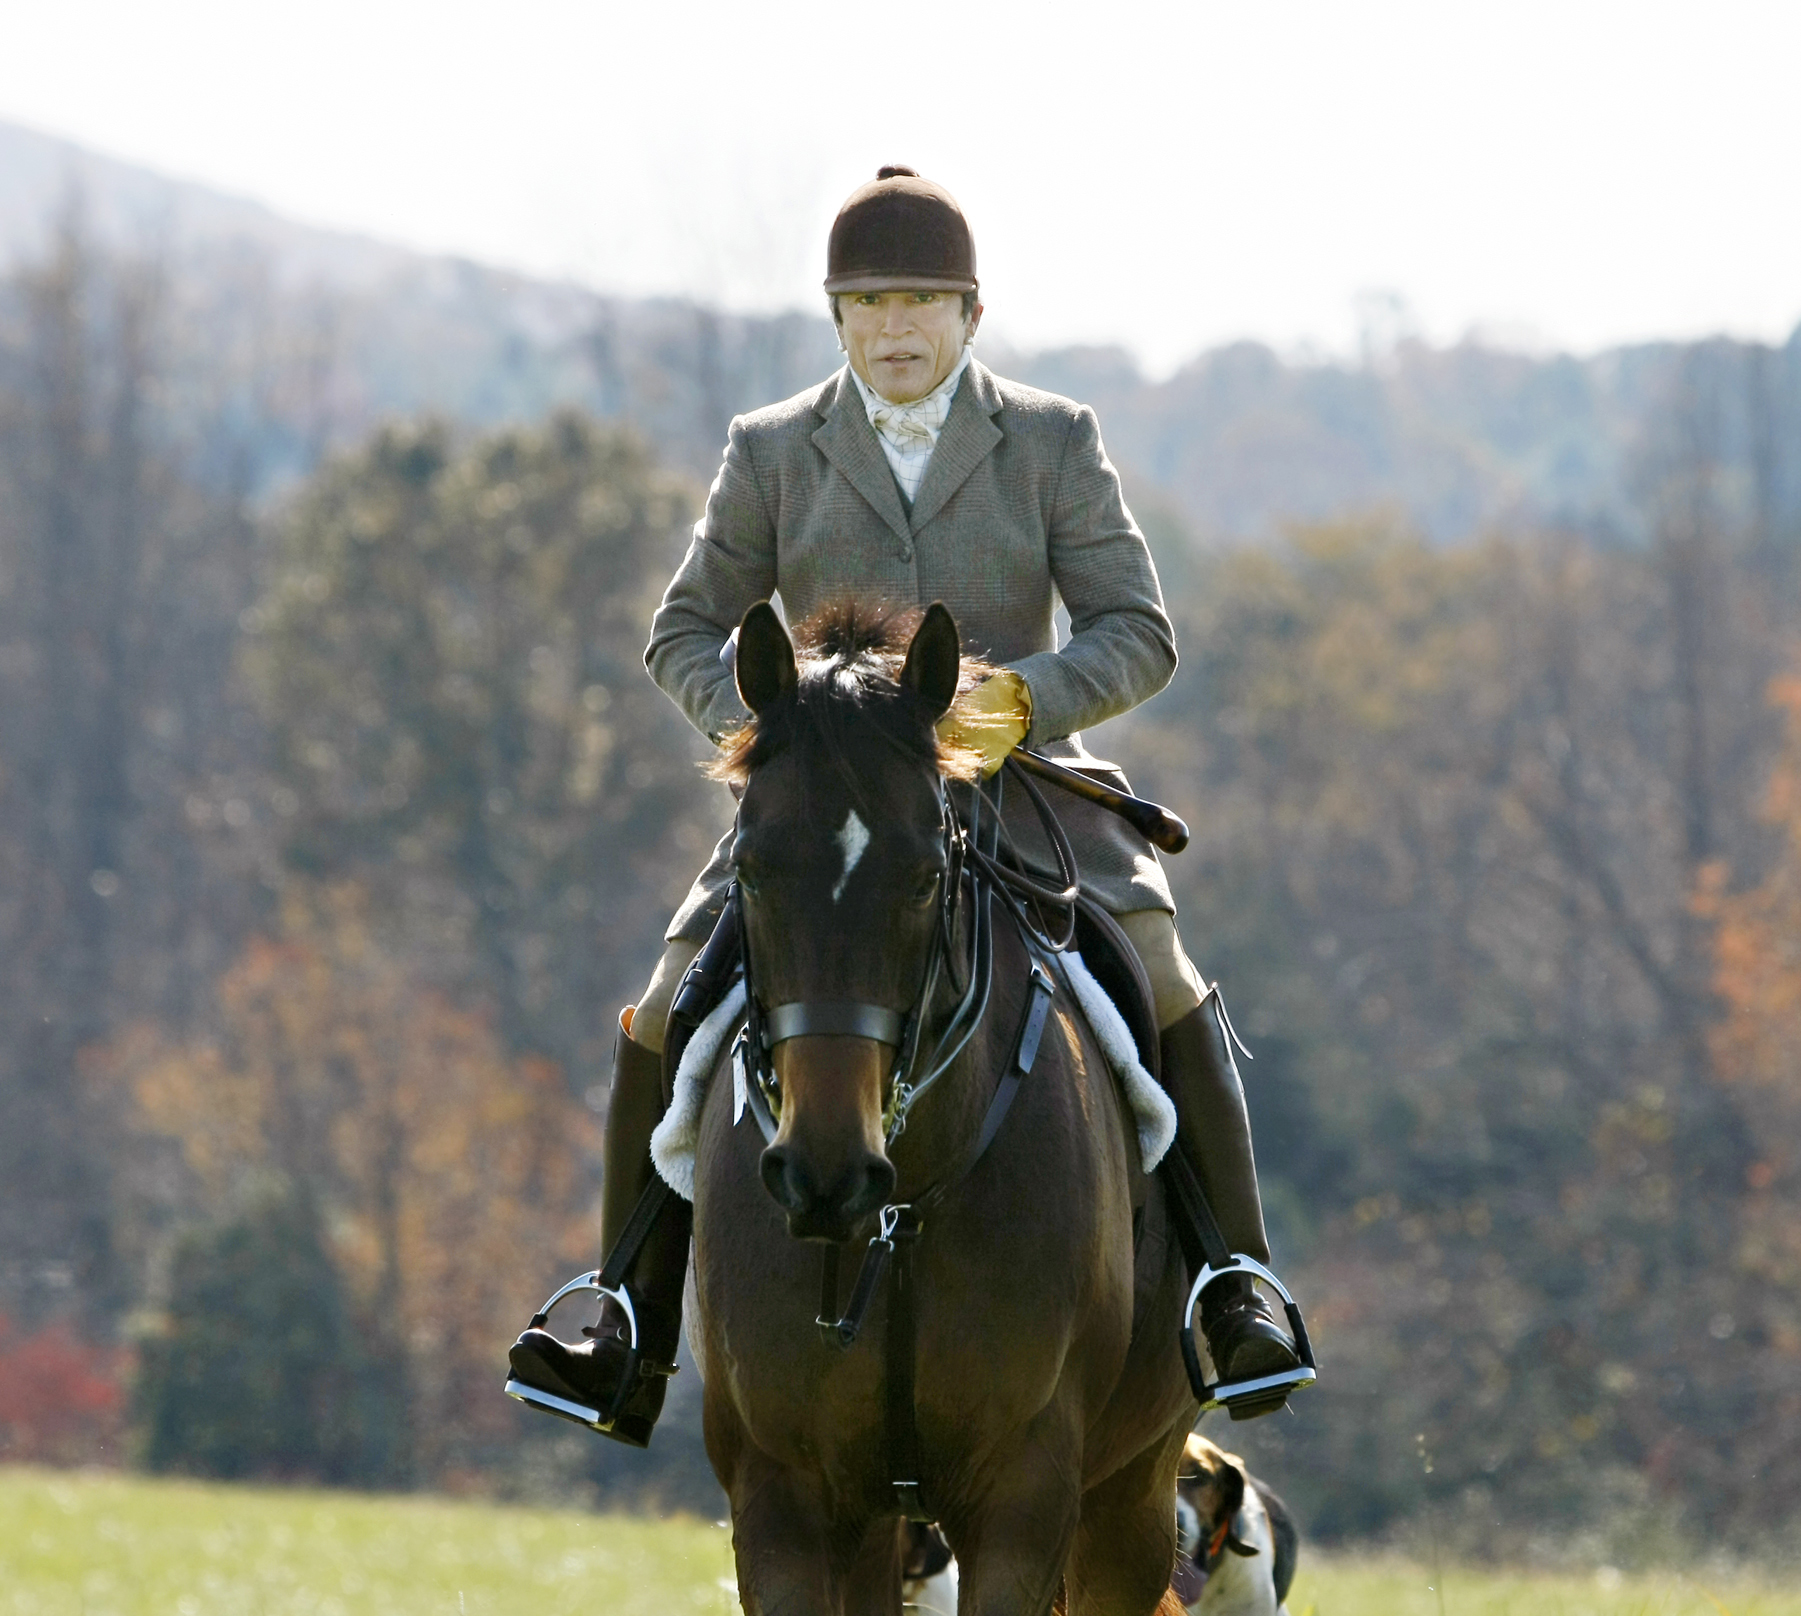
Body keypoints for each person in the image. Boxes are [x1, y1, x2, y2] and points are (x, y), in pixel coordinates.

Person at [510, 166, 1304, 1444]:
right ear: (834, 318)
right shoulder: (771, 450)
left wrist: (1021, 702)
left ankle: (1233, 1281)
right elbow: (681, 633)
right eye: (868, 300)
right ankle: (619, 1309)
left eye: (920, 301)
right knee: (666, 1002)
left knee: (1157, 970)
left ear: (969, 316)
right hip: (827, 810)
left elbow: (1136, 632)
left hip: (1024, 789)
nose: (894, 326)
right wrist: (775, 741)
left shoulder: (1051, 440)